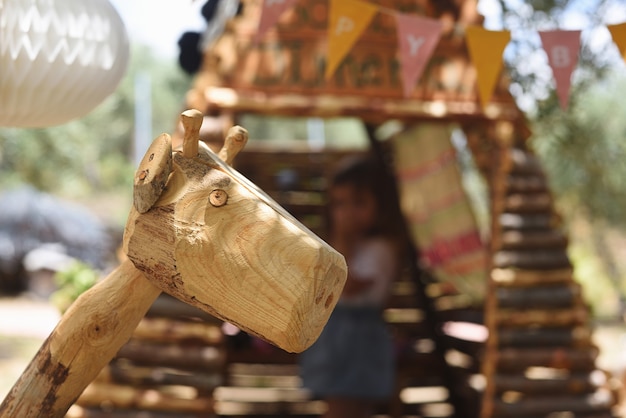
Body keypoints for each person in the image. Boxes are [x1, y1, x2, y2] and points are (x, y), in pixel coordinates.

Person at [300, 155, 404, 418]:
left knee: (351, 406)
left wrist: (343, 242)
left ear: (381, 205)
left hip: (359, 338)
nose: (347, 212)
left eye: (359, 203)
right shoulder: (340, 246)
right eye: (340, 204)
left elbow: (348, 286)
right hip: (334, 336)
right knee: (337, 405)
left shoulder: (381, 248)